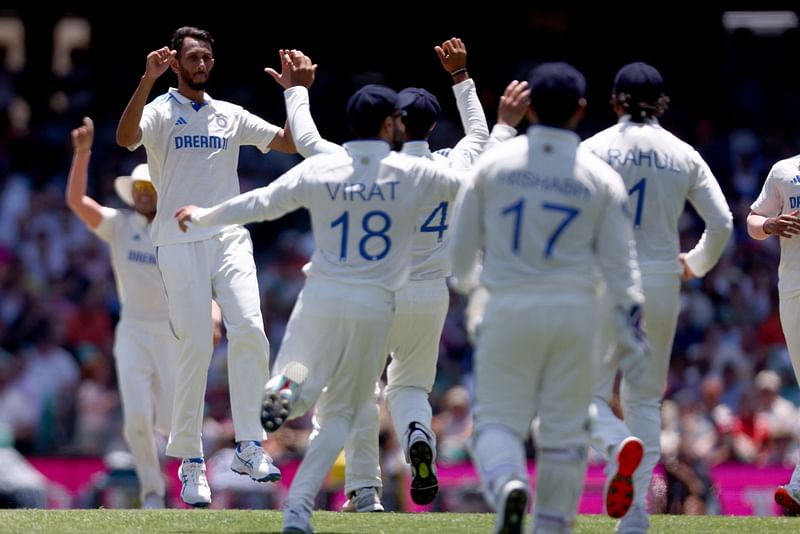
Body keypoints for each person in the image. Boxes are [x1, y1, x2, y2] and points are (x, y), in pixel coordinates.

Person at [174, 84, 461, 533]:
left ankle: (288, 390)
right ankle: (298, 509)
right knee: (342, 413)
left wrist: (204, 216)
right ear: (390, 125)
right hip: (372, 305)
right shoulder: (413, 172)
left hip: (322, 294)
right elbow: (477, 181)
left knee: (305, 377)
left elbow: (261, 202)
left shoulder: (325, 165)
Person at [268, 40, 527, 511]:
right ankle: (416, 437)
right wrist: (462, 76)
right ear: (430, 124)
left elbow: (307, 143)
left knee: (357, 390)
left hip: (376, 293)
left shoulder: (372, 170)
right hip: (430, 296)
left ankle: (364, 491)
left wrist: (298, 90)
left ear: (393, 122)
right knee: (409, 387)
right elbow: (482, 135)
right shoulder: (454, 163)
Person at [450, 62, 648, 534]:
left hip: (506, 308)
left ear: (530, 107)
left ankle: (509, 484)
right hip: (575, 316)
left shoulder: (493, 166)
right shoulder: (601, 178)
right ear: (582, 111)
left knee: (496, 424)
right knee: (564, 437)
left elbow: (458, 262)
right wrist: (628, 337)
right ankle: (553, 524)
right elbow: (623, 278)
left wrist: (477, 297)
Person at [115, 26, 296, 507]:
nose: (201, 65)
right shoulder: (159, 110)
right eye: (192, 57)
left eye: (206, 58)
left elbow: (291, 142)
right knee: (196, 341)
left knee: (252, 329)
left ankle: (249, 444)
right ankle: (191, 460)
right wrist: (147, 79)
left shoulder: (229, 114)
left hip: (229, 236)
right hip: (177, 240)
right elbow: (125, 137)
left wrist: (296, 93)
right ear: (175, 62)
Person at [582, 62, 733, 531]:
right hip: (663, 279)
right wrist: (696, 263)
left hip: (607, 276)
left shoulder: (592, 148)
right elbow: (723, 222)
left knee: (583, 393)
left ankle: (613, 446)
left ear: (615, 101)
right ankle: (634, 517)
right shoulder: (682, 152)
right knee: (645, 400)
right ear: (662, 104)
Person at [66, 117, 175, 509]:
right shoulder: (120, 224)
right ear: (132, 193)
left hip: (172, 335)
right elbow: (78, 203)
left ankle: (183, 476)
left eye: (151, 187)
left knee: (171, 424)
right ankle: (152, 493)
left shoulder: (178, 228)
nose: (144, 194)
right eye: (140, 188)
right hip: (132, 331)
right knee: (135, 422)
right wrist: (82, 154)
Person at [746, 152, 800, 514]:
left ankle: (798, 486)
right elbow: (752, 219)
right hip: (795, 288)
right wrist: (770, 225)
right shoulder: (785, 170)